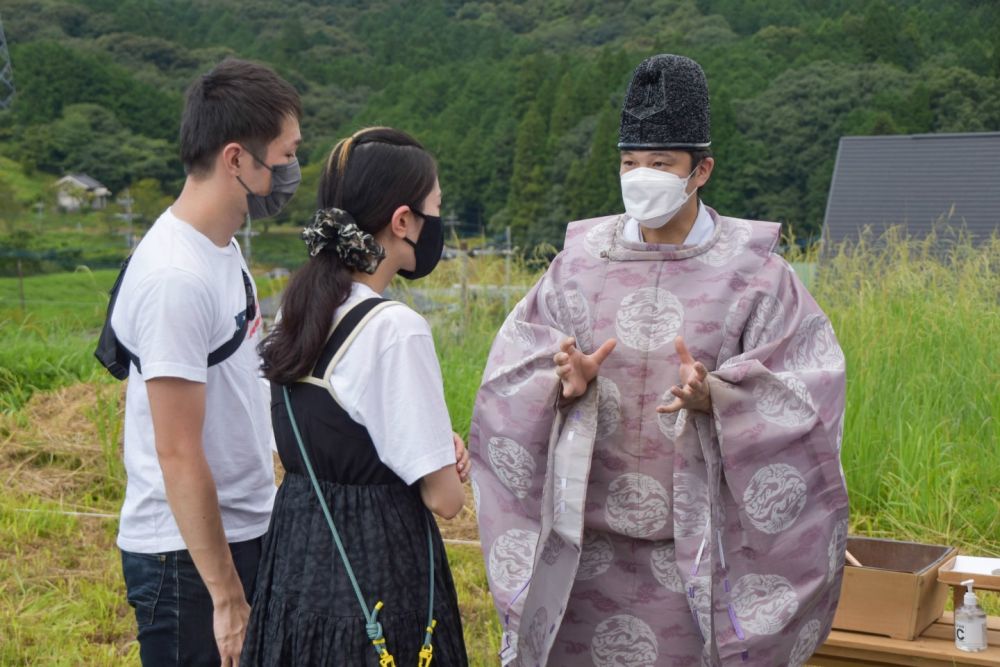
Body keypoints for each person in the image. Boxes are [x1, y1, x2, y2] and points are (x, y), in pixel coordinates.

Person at [470, 54, 849, 666]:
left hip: (697, 552)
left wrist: (721, 398)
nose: (641, 176)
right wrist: (562, 384)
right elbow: (512, 374)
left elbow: (810, 390)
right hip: (585, 545)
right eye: (630, 163)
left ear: (700, 170)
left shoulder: (757, 275)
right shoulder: (577, 265)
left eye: (661, 164)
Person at [243, 126, 470, 666]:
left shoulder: (294, 315)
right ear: (402, 221)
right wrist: (445, 459)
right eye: (435, 208)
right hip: (379, 570)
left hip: (296, 554)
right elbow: (445, 500)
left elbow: (312, 442)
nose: (438, 222)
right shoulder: (395, 328)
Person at [111, 58, 302, 666]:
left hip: (240, 531)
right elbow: (177, 450)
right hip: (186, 562)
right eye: (286, 154)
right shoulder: (175, 277)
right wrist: (225, 595)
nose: (291, 170)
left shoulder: (221, 250)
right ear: (236, 159)